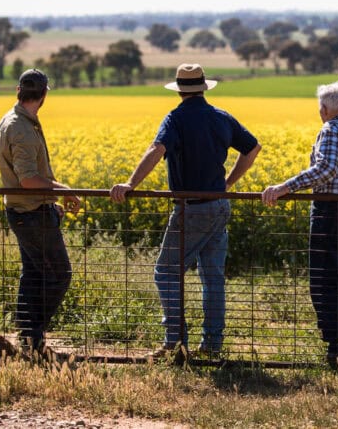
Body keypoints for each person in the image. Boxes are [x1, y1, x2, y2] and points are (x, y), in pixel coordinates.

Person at [111, 63, 260, 361]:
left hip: (191, 209)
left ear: (179, 89)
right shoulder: (220, 117)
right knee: (213, 277)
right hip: (219, 206)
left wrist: (130, 183)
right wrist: (227, 183)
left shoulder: (175, 119)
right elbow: (253, 148)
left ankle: (175, 342)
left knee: (165, 271)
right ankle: (212, 345)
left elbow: (156, 150)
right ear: (203, 87)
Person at [261, 81, 338, 371]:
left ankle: (336, 348)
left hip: (331, 213)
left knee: (324, 281)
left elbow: (325, 169)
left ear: (325, 109)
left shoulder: (331, 130)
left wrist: (285, 187)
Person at [0, 68, 81, 358]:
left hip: (26, 209)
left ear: (19, 91)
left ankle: (29, 342)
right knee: (59, 274)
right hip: (30, 214)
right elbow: (28, 179)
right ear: (43, 95)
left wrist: (48, 199)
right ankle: (33, 335)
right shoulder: (21, 128)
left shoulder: (12, 121)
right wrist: (63, 191)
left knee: (32, 274)